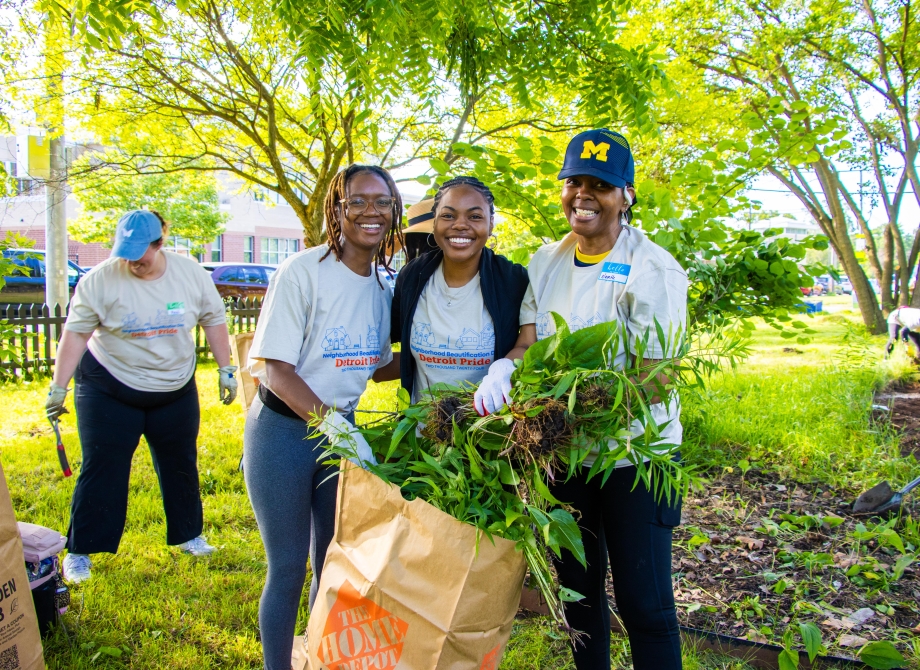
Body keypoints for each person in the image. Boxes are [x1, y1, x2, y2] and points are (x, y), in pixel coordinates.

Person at [476, 129, 688, 669]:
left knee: (645, 604)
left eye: (602, 186)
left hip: (634, 458)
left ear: (627, 195)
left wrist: (570, 412)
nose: (584, 196)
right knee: (579, 598)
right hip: (566, 458)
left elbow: (656, 377)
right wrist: (505, 368)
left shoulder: (653, 269)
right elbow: (529, 343)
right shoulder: (546, 261)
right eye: (575, 183)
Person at [243, 164, 402, 670]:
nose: (371, 212)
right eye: (359, 200)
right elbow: (274, 369)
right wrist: (334, 426)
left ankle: (316, 657)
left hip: (341, 436)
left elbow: (377, 368)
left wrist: (461, 360)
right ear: (338, 208)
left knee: (330, 561)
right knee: (288, 567)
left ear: (394, 211)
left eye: (383, 201)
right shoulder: (303, 271)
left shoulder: (384, 284)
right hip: (285, 434)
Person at [45, 210, 237, 585]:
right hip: (109, 385)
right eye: (126, 252)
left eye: (141, 253)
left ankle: (189, 535)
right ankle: (80, 552)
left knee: (180, 461)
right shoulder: (99, 281)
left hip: (174, 386)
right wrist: (58, 386)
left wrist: (226, 369)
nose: (133, 261)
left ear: (159, 243)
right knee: (103, 467)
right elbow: (76, 334)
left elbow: (214, 319)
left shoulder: (190, 275)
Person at [391, 177, 530, 405]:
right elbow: (385, 346)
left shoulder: (513, 281)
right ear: (434, 222)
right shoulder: (412, 277)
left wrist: (507, 366)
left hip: (488, 430)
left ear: (491, 224)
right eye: (448, 215)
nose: (460, 225)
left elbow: (528, 344)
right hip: (420, 433)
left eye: (475, 216)